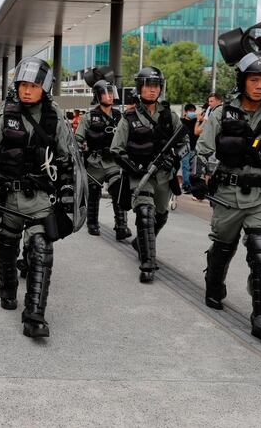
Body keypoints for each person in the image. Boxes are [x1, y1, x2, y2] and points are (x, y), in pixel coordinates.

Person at [190, 52, 261, 346]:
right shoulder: (223, 113)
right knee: (223, 245)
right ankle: (214, 284)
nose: (260, 86)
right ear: (243, 81)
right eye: (254, 79)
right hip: (226, 194)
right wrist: (199, 178)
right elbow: (202, 150)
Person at [0, 57, 76, 338]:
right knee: (7, 244)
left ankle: (34, 315)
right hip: (7, 196)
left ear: (44, 87)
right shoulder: (2, 116)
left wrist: (67, 190)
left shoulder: (56, 119)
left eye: (33, 85)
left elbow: (67, 160)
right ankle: (7, 288)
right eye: (23, 85)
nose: (27, 90)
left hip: (41, 197)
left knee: (42, 249)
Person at [111, 67, 187, 283]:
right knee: (145, 213)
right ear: (140, 88)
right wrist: (134, 168)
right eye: (148, 86)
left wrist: (174, 158)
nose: (152, 90)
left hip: (163, 175)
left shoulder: (169, 116)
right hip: (140, 176)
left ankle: (141, 243)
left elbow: (184, 143)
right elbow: (116, 149)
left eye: (155, 86)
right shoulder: (129, 116)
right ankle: (147, 263)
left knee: (160, 215)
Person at [75, 80, 131, 240]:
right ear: (98, 96)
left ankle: (121, 225)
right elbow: (78, 137)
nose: (110, 96)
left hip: (114, 162)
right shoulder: (89, 117)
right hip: (94, 162)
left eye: (111, 93)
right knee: (93, 193)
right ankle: (92, 223)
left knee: (118, 190)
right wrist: (79, 148)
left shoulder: (121, 117)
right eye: (106, 93)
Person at [180, 103, 199, 192]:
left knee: (193, 169)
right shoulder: (181, 121)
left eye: (193, 111)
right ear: (186, 112)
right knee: (185, 166)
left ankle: (191, 185)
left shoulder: (197, 121)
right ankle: (186, 185)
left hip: (194, 147)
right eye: (190, 111)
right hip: (184, 147)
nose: (192, 113)